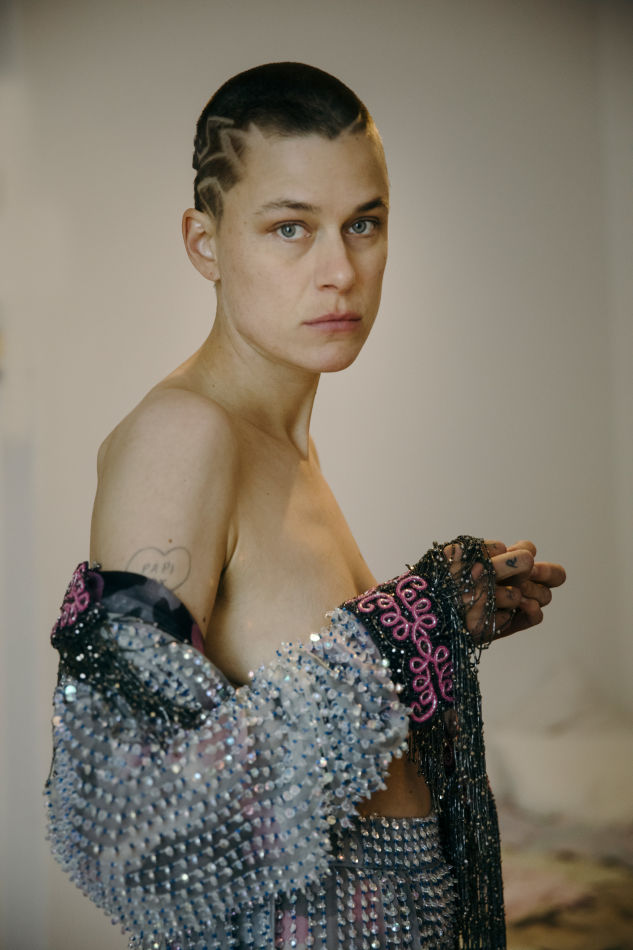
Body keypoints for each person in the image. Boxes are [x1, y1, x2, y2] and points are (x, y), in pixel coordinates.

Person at [46, 63, 565, 950]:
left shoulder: (284, 446)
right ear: (205, 243)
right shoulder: (184, 435)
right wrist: (403, 634)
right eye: (290, 227)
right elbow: (124, 833)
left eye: (363, 223)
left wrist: (441, 625)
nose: (339, 271)